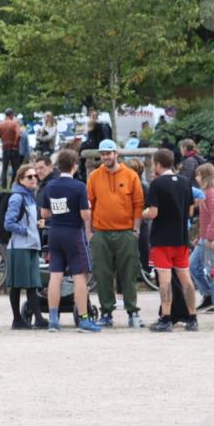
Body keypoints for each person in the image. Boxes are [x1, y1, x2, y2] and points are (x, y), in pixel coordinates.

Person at [39, 149, 100, 333]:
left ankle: (53, 319)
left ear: (58, 166)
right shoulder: (79, 186)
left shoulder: (50, 186)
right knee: (79, 275)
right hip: (73, 232)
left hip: (55, 232)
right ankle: (83, 319)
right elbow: (85, 215)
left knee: (55, 275)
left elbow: (44, 213)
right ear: (74, 165)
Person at [86, 140, 145, 328]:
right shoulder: (94, 176)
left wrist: (136, 229)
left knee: (129, 273)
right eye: (102, 154)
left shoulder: (131, 175)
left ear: (116, 154)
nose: (105, 157)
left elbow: (138, 204)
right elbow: (89, 205)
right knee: (102, 273)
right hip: (101, 232)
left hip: (126, 232)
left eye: (108, 153)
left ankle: (133, 312)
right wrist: (89, 232)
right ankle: (106, 312)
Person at [142, 148, 198, 332]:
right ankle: (192, 318)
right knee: (186, 279)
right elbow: (190, 211)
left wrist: (143, 213)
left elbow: (153, 212)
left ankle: (166, 318)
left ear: (158, 164)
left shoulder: (157, 184)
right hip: (181, 238)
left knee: (165, 280)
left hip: (162, 239)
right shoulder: (184, 182)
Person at [5, 164, 47, 330]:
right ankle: (18, 320)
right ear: (20, 180)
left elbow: (25, 220)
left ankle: (37, 319)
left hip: (30, 245)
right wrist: (26, 231)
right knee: (18, 284)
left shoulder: (30, 197)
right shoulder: (17, 197)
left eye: (35, 176)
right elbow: (8, 223)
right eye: (29, 177)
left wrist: (35, 225)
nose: (34, 179)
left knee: (32, 284)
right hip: (20, 247)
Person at [190, 163, 214, 313]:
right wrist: (200, 236)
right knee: (193, 265)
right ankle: (209, 295)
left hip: (213, 236)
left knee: (213, 269)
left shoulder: (211, 193)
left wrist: (210, 238)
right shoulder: (205, 192)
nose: (196, 178)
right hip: (206, 236)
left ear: (205, 176)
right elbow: (205, 219)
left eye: (198, 175)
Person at [124, 158, 152, 280]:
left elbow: (148, 205)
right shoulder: (123, 185)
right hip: (126, 223)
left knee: (143, 248)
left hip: (140, 222)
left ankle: (147, 271)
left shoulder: (143, 187)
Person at [0, 108, 23, 188]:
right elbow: (19, 135)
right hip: (14, 149)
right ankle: (12, 184)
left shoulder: (0, 124)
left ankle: (3, 186)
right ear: (11, 115)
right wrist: (15, 144)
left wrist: (3, 136)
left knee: (4, 168)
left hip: (5, 148)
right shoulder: (15, 124)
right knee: (16, 168)